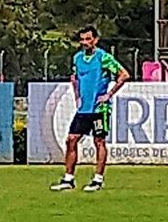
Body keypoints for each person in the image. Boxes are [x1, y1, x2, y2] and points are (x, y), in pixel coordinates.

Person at [51, 25, 129, 192]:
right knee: (71, 139)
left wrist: (109, 94)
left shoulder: (103, 57)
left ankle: (98, 179)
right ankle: (68, 178)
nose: (85, 42)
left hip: (100, 109)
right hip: (84, 109)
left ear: (95, 40)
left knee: (99, 141)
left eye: (88, 39)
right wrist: (77, 96)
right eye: (82, 39)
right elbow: (75, 78)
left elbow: (124, 75)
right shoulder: (78, 58)